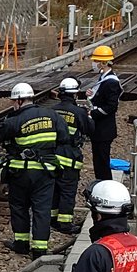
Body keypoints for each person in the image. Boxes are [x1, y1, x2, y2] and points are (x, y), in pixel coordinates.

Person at [0, 82, 66, 257]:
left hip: (20, 173)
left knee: (19, 207)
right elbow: (64, 137)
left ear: (20, 101)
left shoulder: (14, 120)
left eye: (14, 101)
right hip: (46, 172)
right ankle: (40, 249)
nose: (13, 104)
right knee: (42, 209)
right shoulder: (52, 116)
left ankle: (21, 244)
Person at [49, 77, 96, 235]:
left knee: (54, 189)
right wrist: (88, 116)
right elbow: (90, 130)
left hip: (53, 156)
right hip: (70, 156)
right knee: (67, 191)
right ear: (75, 95)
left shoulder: (52, 110)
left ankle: (52, 219)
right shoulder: (79, 112)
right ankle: (65, 224)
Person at [85, 45, 122, 182]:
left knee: (102, 161)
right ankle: (100, 182)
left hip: (104, 129)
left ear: (104, 63)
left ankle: (105, 183)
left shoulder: (111, 82)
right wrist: (91, 95)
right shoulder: (104, 77)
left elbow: (111, 106)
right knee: (98, 159)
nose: (94, 63)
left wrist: (93, 113)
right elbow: (101, 97)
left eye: (96, 61)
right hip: (100, 129)